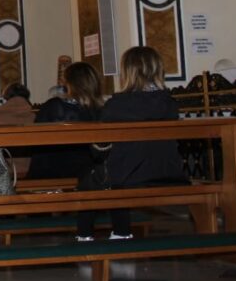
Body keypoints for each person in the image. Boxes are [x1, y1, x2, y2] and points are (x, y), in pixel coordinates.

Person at [77, 46, 185, 241]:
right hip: (167, 172)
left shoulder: (118, 105)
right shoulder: (169, 103)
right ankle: (119, 232)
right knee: (115, 172)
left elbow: (100, 149)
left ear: (128, 72)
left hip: (128, 175)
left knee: (90, 181)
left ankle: (87, 236)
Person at [27, 62, 103, 179]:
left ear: (69, 84)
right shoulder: (102, 110)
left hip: (50, 173)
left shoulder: (54, 107)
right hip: (88, 174)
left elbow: (35, 138)